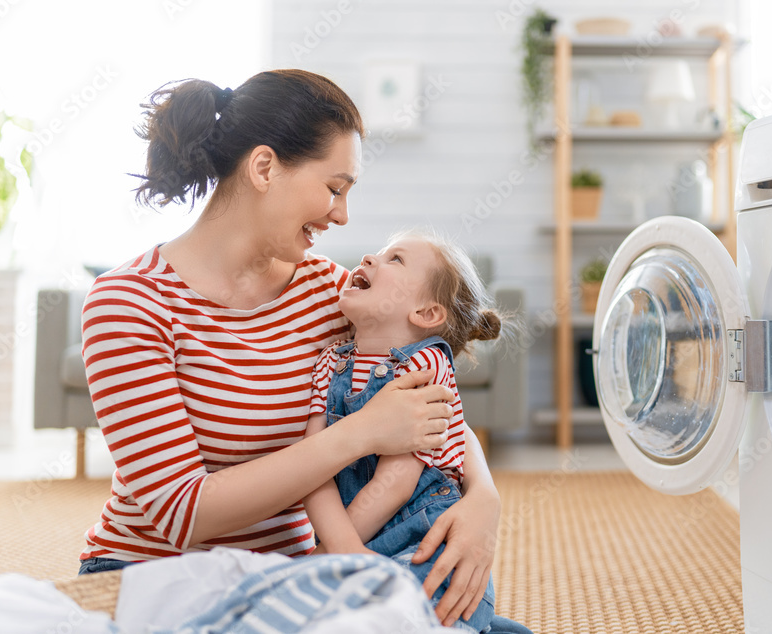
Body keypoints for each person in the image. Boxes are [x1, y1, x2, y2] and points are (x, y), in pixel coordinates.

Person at [78, 69, 530, 632]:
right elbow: (183, 515)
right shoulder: (129, 303)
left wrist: (484, 499)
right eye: (335, 188)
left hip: (298, 573)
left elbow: (422, 403)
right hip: (157, 575)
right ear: (264, 167)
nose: (343, 216)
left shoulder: (330, 294)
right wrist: (360, 434)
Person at [303, 230, 503, 632]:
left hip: (424, 538)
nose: (370, 258)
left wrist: (332, 553)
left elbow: (395, 481)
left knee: (405, 618)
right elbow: (311, 467)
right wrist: (338, 550)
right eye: (379, 253)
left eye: (394, 259)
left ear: (427, 314)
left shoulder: (427, 365)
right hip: (353, 542)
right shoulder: (330, 362)